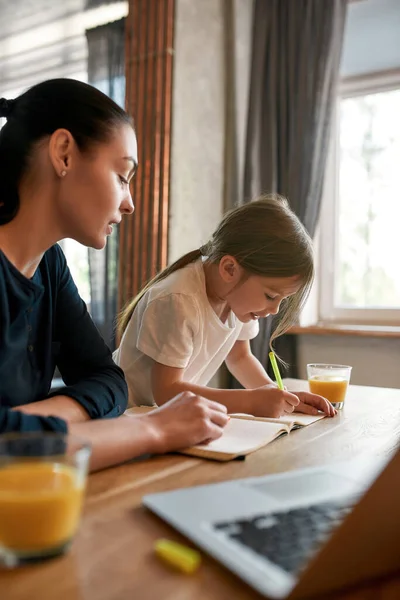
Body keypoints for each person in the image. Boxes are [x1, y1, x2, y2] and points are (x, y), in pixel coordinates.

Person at [0, 79, 229, 471]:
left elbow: (109, 379)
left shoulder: (50, 266)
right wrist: (155, 430)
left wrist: (26, 425)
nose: (130, 204)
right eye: (123, 177)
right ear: (64, 154)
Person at [115, 195, 336, 418]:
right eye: (270, 295)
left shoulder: (236, 300)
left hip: (164, 417)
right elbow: (167, 391)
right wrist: (249, 402)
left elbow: (240, 358)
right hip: (126, 415)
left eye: (283, 299)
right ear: (230, 269)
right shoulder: (179, 299)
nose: (275, 310)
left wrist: (282, 397)